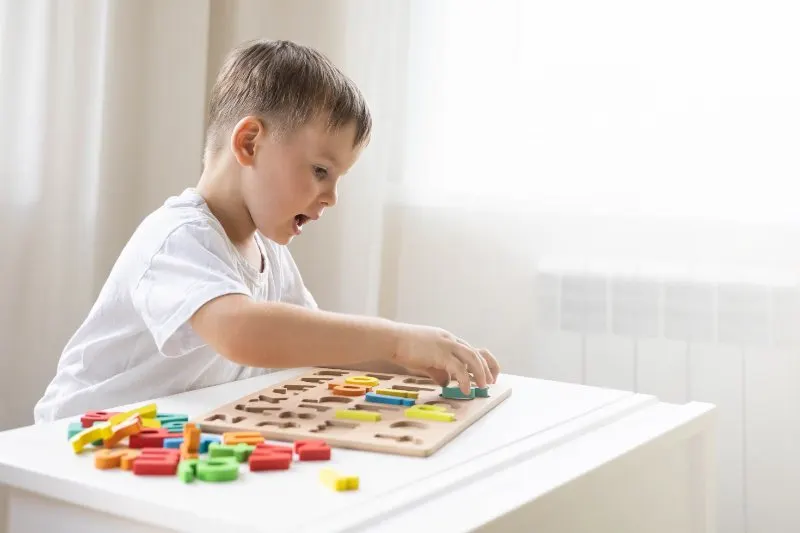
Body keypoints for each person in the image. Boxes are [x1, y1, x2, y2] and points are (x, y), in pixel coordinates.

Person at [33, 39, 499, 423]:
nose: (331, 196)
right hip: (71, 443)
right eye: (320, 170)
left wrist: (420, 361)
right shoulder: (176, 238)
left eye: (338, 179)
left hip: (158, 435)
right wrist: (397, 338)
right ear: (249, 142)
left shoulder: (268, 252)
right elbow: (240, 331)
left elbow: (316, 347)